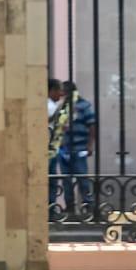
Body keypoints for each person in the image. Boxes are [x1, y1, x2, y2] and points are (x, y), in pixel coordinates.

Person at [48, 79, 97, 212]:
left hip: (79, 148)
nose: (62, 94)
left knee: (82, 180)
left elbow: (92, 125)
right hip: (64, 149)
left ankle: (89, 208)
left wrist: (90, 145)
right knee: (66, 181)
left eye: (64, 91)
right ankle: (70, 209)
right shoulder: (63, 107)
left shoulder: (84, 106)